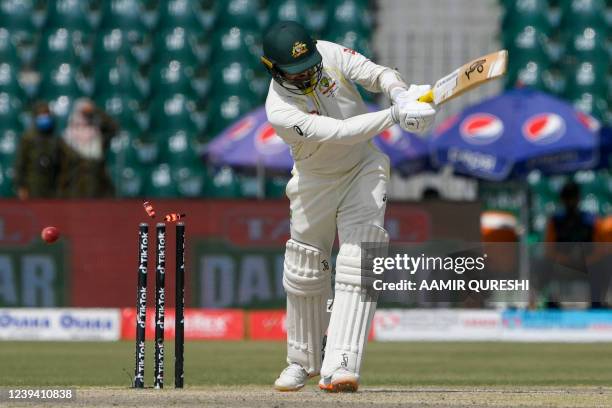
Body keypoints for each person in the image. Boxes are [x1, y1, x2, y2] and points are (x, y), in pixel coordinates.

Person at [262, 21, 437, 392]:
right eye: (297, 72)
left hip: (363, 168)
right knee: (305, 268)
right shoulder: (279, 109)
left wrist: (400, 93)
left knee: (361, 260)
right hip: (314, 180)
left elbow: (378, 74)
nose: (308, 73)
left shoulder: (328, 52)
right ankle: (301, 361)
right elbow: (339, 133)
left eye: (310, 64)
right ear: (274, 69)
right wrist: (394, 115)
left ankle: (342, 362)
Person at [57, 98, 118, 198]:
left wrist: (95, 111)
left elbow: (113, 127)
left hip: (96, 185)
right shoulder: (67, 137)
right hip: (73, 186)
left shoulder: (98, 133)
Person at [14, 101, 62, 199]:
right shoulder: (28, 138)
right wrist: (21, 186)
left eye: (46, 115)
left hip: (51, 185)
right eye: (41, 115)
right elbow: (20, 162)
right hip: (33, 184)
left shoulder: (55, 138)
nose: (44, 118)